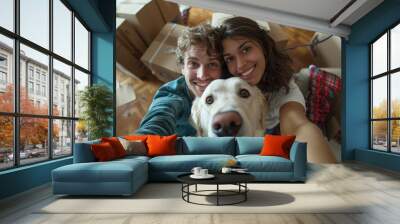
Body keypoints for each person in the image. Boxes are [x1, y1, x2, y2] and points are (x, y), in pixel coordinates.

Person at [218, 16, 337, 163]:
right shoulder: (221, 87)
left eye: (246, 49)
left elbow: (298, 125)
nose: (240, 65)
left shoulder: (283, 88)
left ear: (263, 46)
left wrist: (326, 173)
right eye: (230, 58)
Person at [135, 24, 223, 136]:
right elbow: (159, 118)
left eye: (212, 64)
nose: (202, 75)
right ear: (182, 67)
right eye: (193, 64)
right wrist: (144, 140)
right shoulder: (171, 95)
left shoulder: (228, 86)